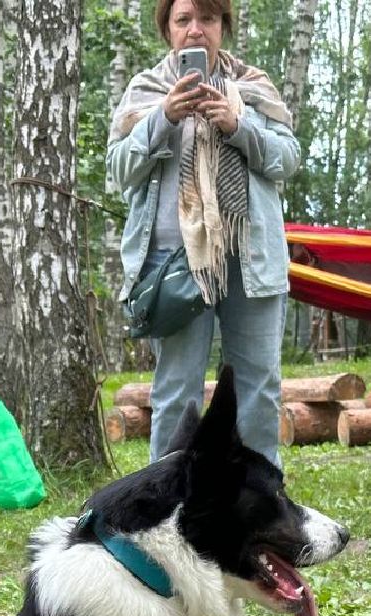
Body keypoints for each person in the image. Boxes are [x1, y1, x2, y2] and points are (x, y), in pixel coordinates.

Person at [108, 0, 299, 465]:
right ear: (167, 29)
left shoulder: (253, 90)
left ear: (223, 26)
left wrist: (238, 127)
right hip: (173, 265)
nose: (196, 31)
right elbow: (118, 171)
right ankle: (167, 506)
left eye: (208, 19)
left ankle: (259, 510)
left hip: (249, 258)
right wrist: (163, 119)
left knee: (258, 387)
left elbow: (287, 159)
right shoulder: (147, 91)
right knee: (177, 391)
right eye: (183, 20)